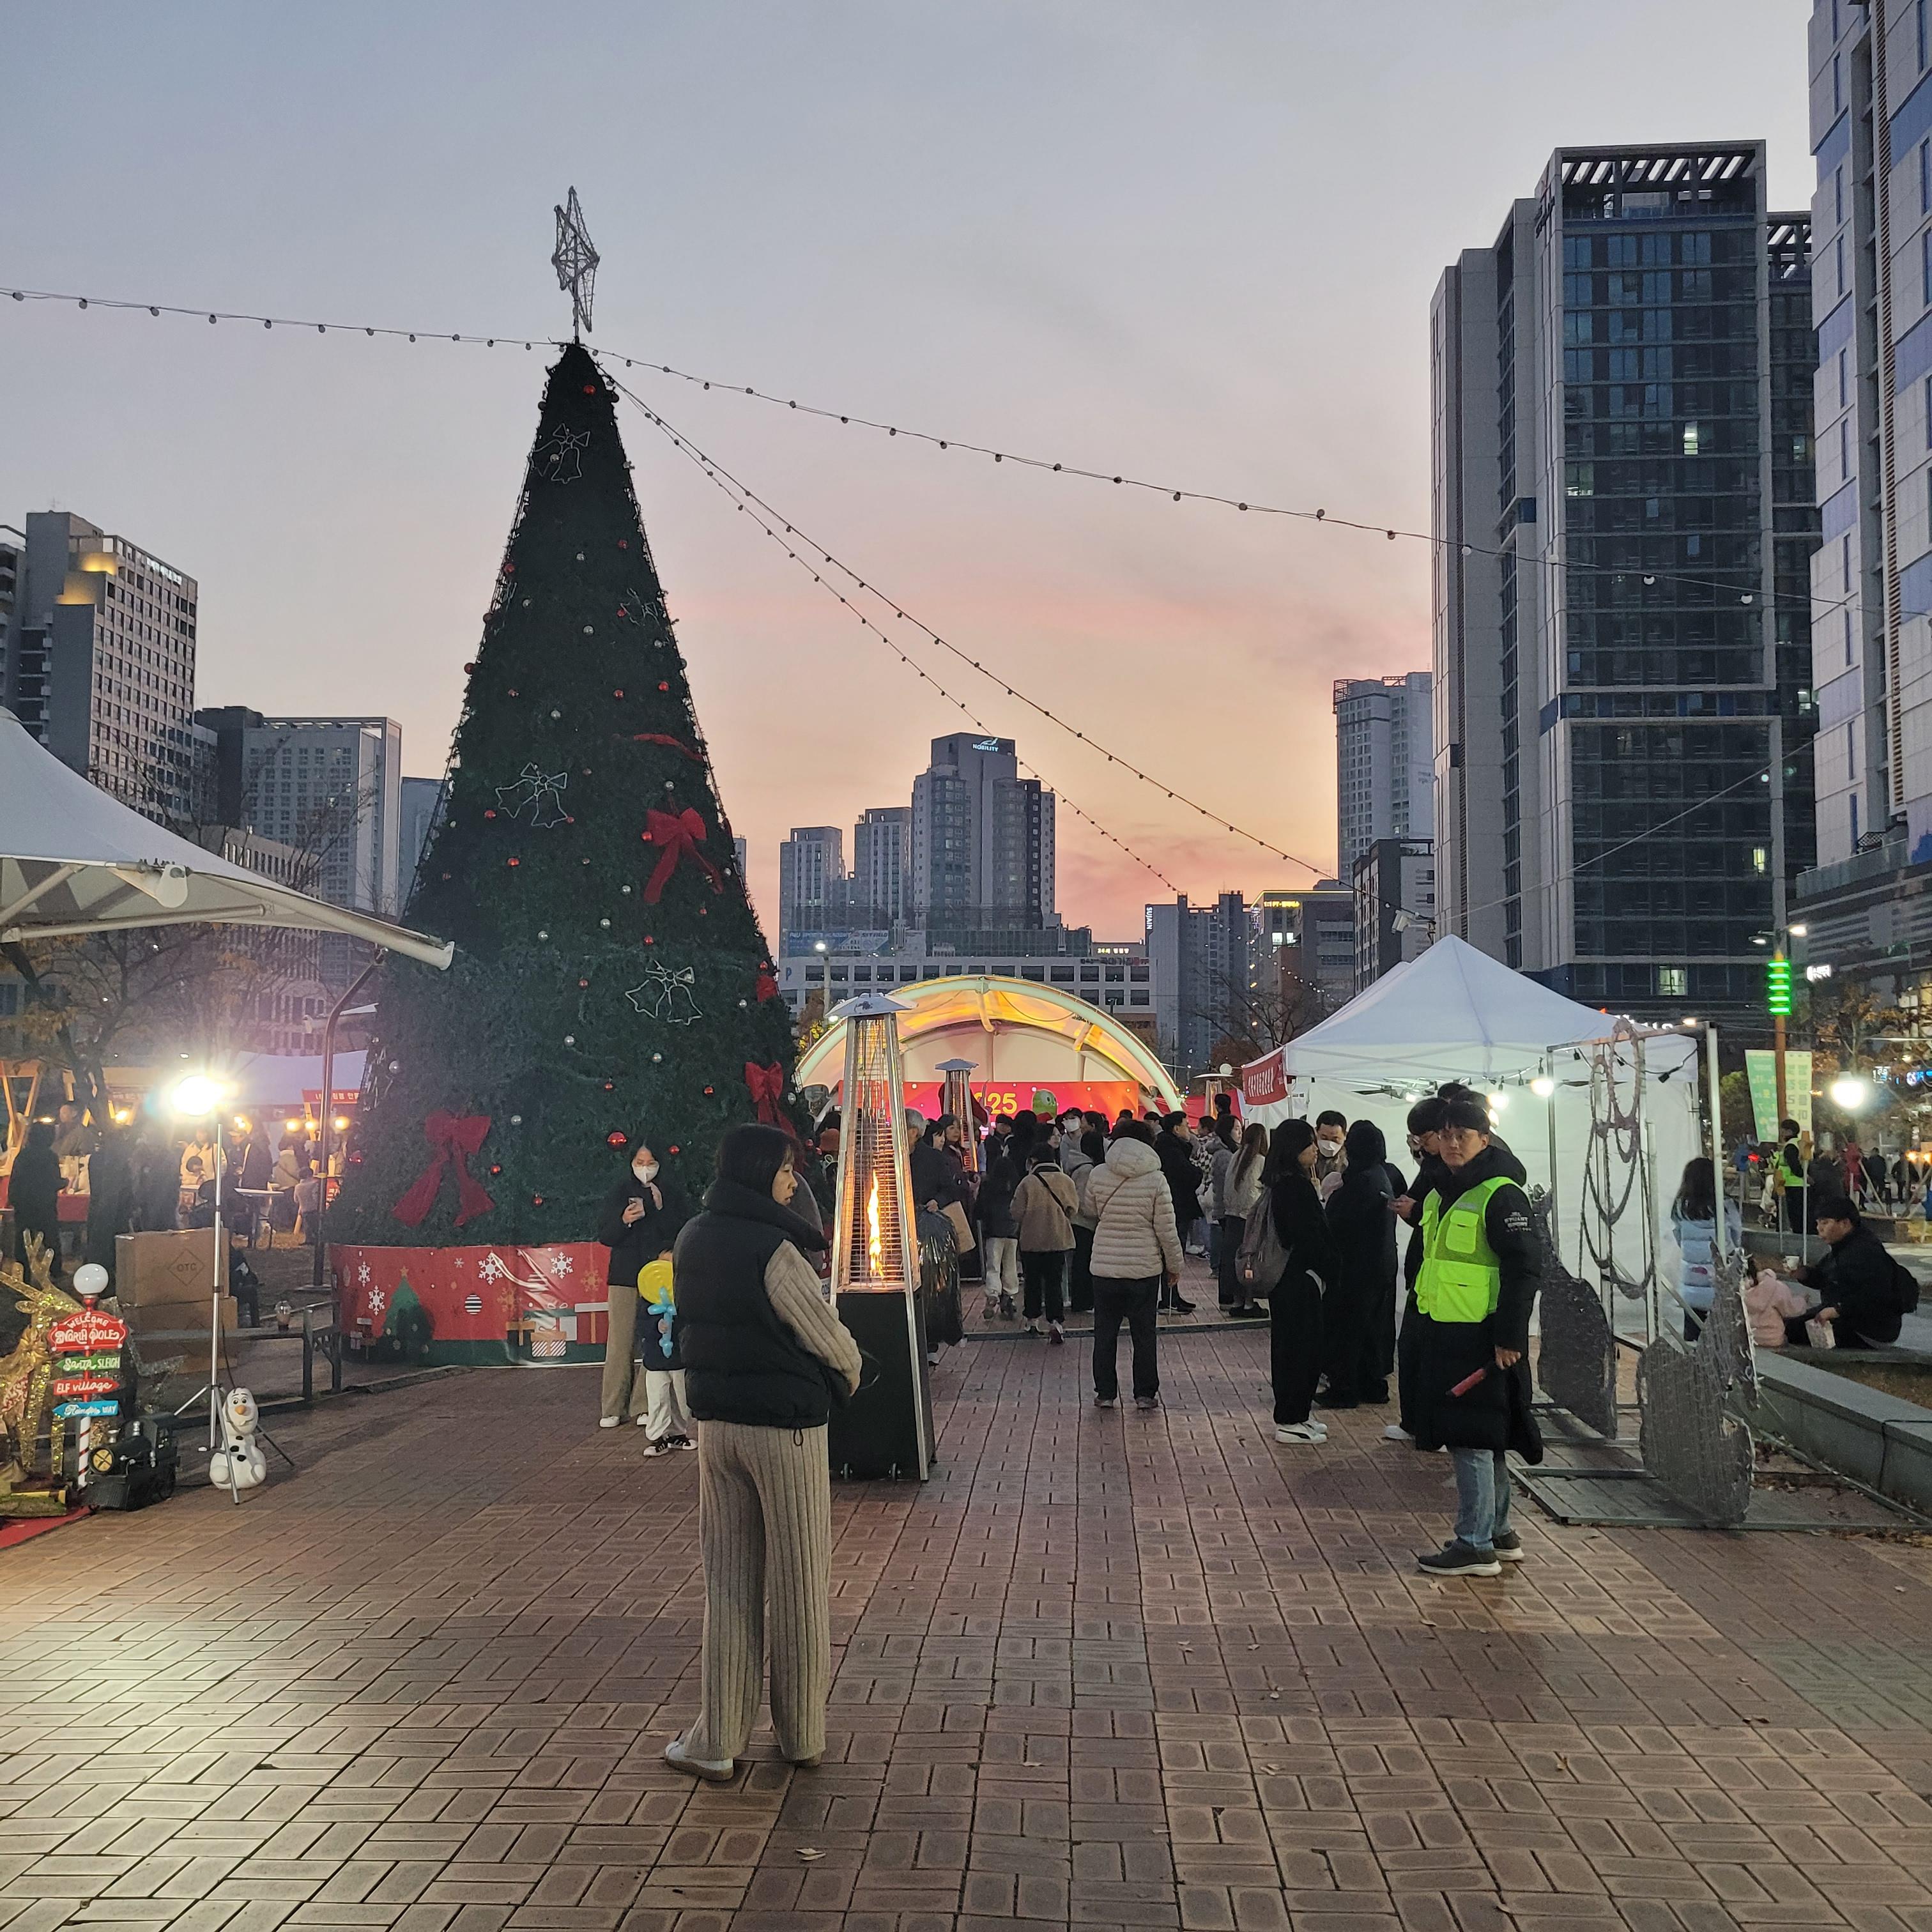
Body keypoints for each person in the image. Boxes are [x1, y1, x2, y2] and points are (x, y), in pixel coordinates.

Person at [664, 1123, 861, 1782]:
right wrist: (852, 1372)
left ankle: (717, 1739)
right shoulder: (774, 1248)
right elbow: (826, 1336)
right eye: (782, 1170)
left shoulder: (693, 1236)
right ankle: (802, 1733)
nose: (790, 1181)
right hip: (786, 1429)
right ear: (757, 1173)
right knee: (799, 1581)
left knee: (728, 1582)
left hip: (718, 1428)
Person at [1411, 1098, 1544, 1577]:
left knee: (1471, 1440)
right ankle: (1499, 1532)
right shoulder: (1444, 1190)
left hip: (1481, 1335)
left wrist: (1510, 1336)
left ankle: (1474, 1543)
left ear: (1485, 1140)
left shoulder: (1501, 1195)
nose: (1452, 1144)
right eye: (1445, 1136)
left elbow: (1525, 1268)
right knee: (1486, 1436)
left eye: (1462, 1136)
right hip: (1446, 1328)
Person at [594, 1137, 693, 1431]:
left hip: (657, 1276)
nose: (646, 1168)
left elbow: (682, 1229)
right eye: (640, 1163)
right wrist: (624, 1220)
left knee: (655, 1338)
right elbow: (605, 1234)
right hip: (624, 1276)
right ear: (631, 1163)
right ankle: (613, 1407)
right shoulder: (619, 1191)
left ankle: (644, 1405)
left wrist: (660, 1209)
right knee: (620, 1341)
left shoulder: (670, 1191)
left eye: (651, 1163)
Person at [1087, 1119, 1182, 1410]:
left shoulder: (1098, 1173)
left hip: (1105, 1266)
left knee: (1105, 1333)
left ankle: (1105, 1393)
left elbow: (1090, 1210)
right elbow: (1167, 1229)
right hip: (1144, 1267)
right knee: (1144, 1334)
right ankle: (1145, 1394)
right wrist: (1175, 1265)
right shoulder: (1156, 1179)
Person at [1260, 1121, 1337, 1443]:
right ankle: (1291, 1419)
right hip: (1298, 1278)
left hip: (1289, 1279)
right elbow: (1307, 1237)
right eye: (1310, 1143)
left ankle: (1299, 1414)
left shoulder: (1283, 1182)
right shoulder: (1294, 1187)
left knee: (1294, 1348)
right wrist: (1328, 1268)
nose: (1316, 1149)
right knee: (1299, 1351)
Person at [1321, 1120, 1397, 1410]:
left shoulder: (1361, 1180)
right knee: (1371, 1331)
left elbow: (1339, 1221)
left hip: (1357, 1268)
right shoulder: (1380, 1174)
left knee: (1348, 1331)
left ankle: (1344, 1389)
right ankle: (1372, 1385)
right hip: (1379, 1264)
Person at [1775, 1196, 1913, 1349]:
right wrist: (1803, 1274)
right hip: (1848, 1317)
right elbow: (1825, 1278)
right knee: (1786, 1323)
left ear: (1845, 1224)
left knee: (1788, 1330)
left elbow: (1875, 1295)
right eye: (1818, 1223)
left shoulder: (1865, 1251)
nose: (1819, 1228)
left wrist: (1837, 1310)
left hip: (1869, 1330)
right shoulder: (1842, 1247)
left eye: (1825, 1223)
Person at [1669, 1156, 1742, 1340]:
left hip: (1692, 1277)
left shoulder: (1681, 1207)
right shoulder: (1725, 1205)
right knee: (1721, 1335)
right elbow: (1736, 1235)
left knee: (1693, 1331)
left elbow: (1678, 1236)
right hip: (1719, 1275)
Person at [1012, 1142, 1078, 1342]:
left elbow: (1016, 1212)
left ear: (1033, 1160)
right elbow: (1073, 1208)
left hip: (1032, 1240)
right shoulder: (1066, 1181)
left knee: (1032, 1281)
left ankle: (1032, 1320)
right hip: (1058, 1239)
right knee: (1054, 1281)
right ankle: (1056, 1322)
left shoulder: (1027, 1182)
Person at [1152, 1112, 1202, 1306]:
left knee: (1173, 1252)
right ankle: (1170, 1298)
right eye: (1186, 1125)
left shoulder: (1169, 1146)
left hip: (1175, 1205)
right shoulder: (1172, 1149)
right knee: (1173, 1251)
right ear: (1176, 1128)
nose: (1189, 1129)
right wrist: (1197, 1172)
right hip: (1176, 1206)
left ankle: (1172, 1296)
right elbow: (1187, 1174)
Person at [1220, 1122, 1269, 1317]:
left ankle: (1238, 1301)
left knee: (1236, 1259)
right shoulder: (1261, 1161)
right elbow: (1265, 1189)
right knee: (1250, 1260)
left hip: (1232, 1215)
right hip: (1251, 1218)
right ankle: (1249, 1303)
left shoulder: (1236, 1156)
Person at [8, 1121, 64, 1279]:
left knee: (23, 1241)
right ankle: (56, 1271)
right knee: (51, 1239)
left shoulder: (23, 1155)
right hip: (44, 1205)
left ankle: (22, 1274)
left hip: (24, 1204)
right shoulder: (50, 1157)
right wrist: (65, 1182)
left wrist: (14, 1200)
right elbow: (54, 1182)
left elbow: (15, 1181)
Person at [83, 1125, 137, 1291]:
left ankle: (95, 1285)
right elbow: (124, 1189)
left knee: (97, 1249)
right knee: (114, 1252)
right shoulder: (120, 1160)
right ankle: (112, 1286)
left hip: (97, 1210)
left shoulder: (95, 1159)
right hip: (117, 1213)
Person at [976, 1140, 1023, 1321]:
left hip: (993, 1231)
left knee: (993, 1265)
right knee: (1010, 1264)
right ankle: (1009, 1294)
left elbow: (980, 1209)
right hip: (1012, 1231)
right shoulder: (1016, 1186)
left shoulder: (988, 1185)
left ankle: (993, 1293)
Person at [1064, 1126, 1101, 1314]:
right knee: (1083, 1263)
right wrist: (1097, 1213)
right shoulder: (1087, 1169)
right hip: (1084, 1222)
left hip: (1078, 1221)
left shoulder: (1079, 1166)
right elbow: (1084, 1201)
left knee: (1080, 1262)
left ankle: (1081, 1301)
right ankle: (1083, 1302)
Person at [1204, 1114, 1237, 1278]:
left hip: (1223, 1205)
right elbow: (1227, 1183)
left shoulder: (1225, 1151)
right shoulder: (1225, 1155)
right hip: (1226, 1206)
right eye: (1236, 1129)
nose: (1240, 1133)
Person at [1777, 1119, 1807, 1233]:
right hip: (1801, 1184)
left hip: (1792, 1185)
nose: (1781, 1134)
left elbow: (1794, 1165)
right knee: (1800, 1215)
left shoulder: (1790, 1146)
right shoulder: (1799, 1143)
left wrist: (1802, 1175)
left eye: (1783, 1131)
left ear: (1789, 1132)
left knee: (1794, 1216)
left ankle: (1796, 1236)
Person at [1312, 1111, 1349, 1191]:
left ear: (1345, 1136)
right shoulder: (1308, 1155)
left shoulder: (1350, 1160)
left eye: (1335, 1140)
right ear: (1316, 1132)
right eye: (1324, 1138)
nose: (1329, 1144)